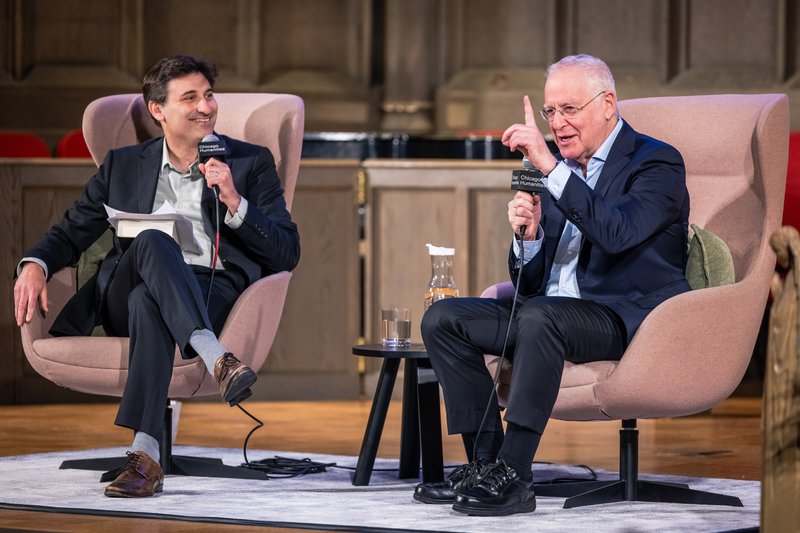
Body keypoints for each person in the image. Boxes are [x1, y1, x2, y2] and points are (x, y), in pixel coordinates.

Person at [414, 54, 691, 516]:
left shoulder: (657, 162)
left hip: (622, 316)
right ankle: (485, 466)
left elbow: (618, 233)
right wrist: (529, 237)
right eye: (551, 112)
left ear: (607, 105)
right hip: (550, 314)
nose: (557, 124)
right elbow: (529, 284)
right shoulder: (553, 170)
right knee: (445, 318)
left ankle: (515, 472)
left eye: (569, 109)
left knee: (543, 316)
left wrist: (552, 170)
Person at [13, 55, 300, 497]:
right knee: (151, 242)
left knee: (150, 302)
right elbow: (71, 231)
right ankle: (216, 357)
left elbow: (287, 252)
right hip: (125, 285)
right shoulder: (123, 165)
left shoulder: (248, 162)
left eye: (208, 95)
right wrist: (35, 264)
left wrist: (234, 200)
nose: (206, 107)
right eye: (191, 98)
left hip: (210, 290)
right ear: (157, 110)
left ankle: (144, 457)